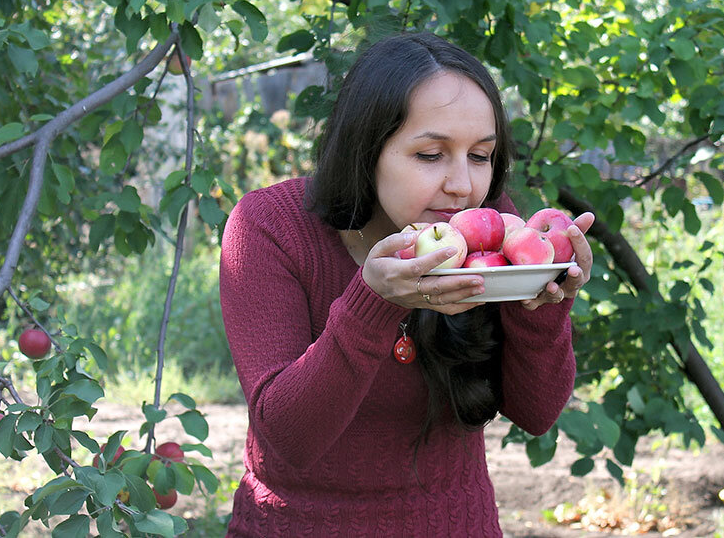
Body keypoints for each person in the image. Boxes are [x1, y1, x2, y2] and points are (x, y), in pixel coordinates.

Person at [219, 31, 594, 537]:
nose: (462, 184)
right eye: (430, 155)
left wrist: (541, 306)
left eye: (480, 156)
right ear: (366, 149)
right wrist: (374, 302)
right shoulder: (271, 227)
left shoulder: (489, 229)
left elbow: (536, 412)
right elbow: (290, 437)